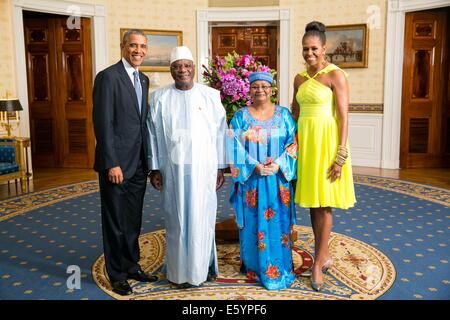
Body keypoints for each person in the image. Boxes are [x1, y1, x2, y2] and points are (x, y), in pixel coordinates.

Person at [147, 46, 228, 288]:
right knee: (176, 218)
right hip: (172, 171)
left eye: (186, 66)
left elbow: (221, 134)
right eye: (177, 66)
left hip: (204, 170)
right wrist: (154, 169)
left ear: (194, 68)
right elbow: (152, 135)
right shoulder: (159, 98)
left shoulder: (211, 96)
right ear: (171, 70)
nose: (182, 70)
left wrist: (221, 168)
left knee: (202, 216)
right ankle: (179, 271)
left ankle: (203, 268)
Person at [291, 21, 356, 291]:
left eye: (314, 48)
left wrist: (340, 156)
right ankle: (324, 254)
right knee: (312, 203)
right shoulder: (299, 78)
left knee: (325, 203)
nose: (309, 53)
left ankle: (318, 262)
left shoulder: (335, 75)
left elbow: (343, 117)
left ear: (324, 48)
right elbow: (294, 112)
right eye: (305, 49)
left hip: (328, 146)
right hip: (306, 145)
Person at [92, 29, 157, 296]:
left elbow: (141, 125)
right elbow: (103, 123)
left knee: (133, 220)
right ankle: (116, 274)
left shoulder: (143, 79)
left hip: (139, 164)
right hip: (116, 165)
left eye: (142, 46)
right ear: (122, 46)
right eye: (133, 45)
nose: (138, 51)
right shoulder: (108, 77)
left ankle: (131, 265)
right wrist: (112, 163)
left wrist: (150, 162)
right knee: (115, 222)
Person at [227, 71, 298, 290]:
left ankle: (280, 266)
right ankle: (254, 266)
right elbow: (233, 146)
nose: (260, 90)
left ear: (271, 89)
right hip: (252, 182)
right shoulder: (240, 116)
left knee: (280, 224)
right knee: (252, 223)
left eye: (265, 86)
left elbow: (294, 143)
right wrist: (255, 166)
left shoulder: (284, 114)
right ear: (249, 89)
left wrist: (279, 164)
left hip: (278, 181)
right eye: (256, 86)